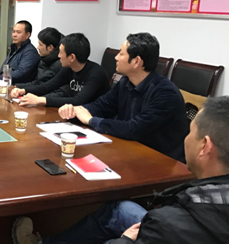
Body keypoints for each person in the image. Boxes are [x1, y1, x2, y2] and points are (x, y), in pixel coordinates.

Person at [12, 96, 228, 244]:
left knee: (104, 241)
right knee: (120, 209)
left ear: (204, 146)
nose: (186, 138)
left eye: (190, 132)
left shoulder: (168, 225)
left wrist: (123, 241)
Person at [58, 33, 188, 162]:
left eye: (121, 54)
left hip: (161, 161)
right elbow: (102, 106)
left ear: (136, 61)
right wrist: (75, 111)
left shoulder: (165, 93)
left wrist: (91, 120)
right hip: (130, 151)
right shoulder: (125, 82)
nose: (116, 57)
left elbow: (134, 128)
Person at [11, 33, 110, 108]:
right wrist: (23, 90)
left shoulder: (96, 73)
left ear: (72, 57)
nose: (58, 56)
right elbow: (48, 86)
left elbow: (78, 101)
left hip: (96, 118)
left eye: (61, 53)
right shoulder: (68, 68)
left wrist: (41, 100)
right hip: (75, 113)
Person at [15, 27, 68, 96]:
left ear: (50, 48)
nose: (38, 47)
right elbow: (37, 82)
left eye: (40, 44)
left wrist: (19, 88)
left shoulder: (59, 64)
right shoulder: (45, 58)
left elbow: (42, 85)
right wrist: (17, 87)